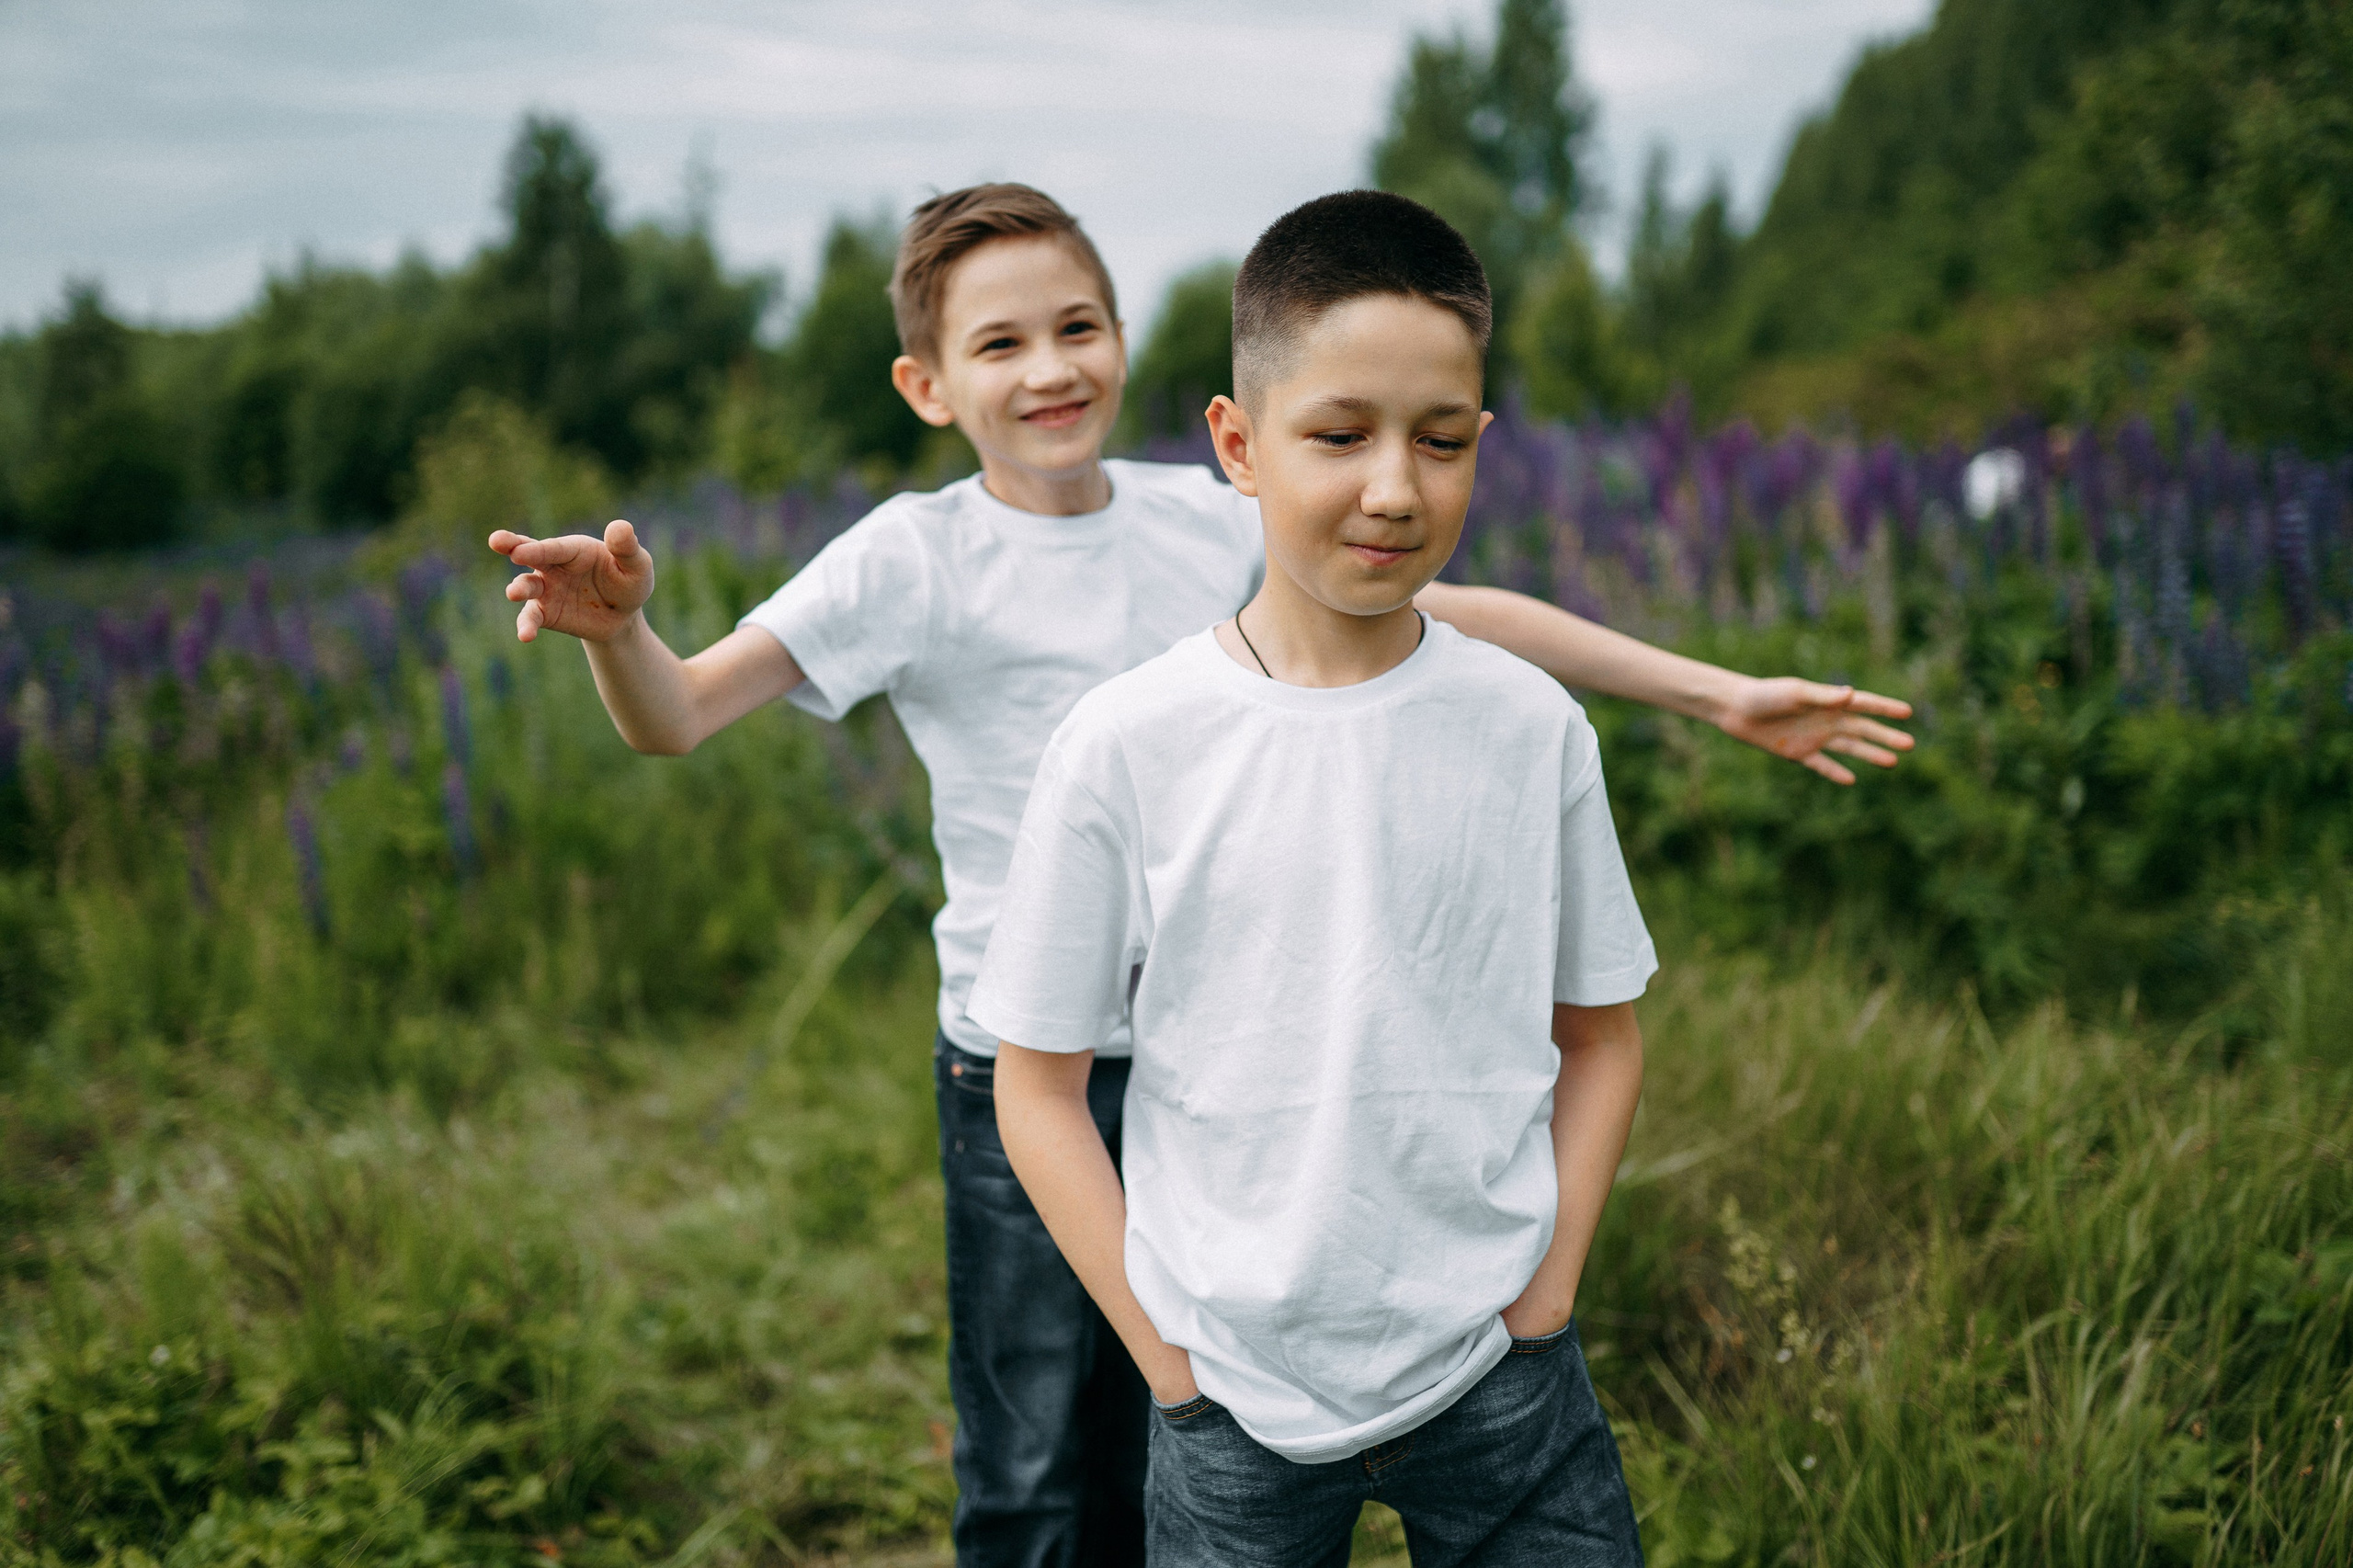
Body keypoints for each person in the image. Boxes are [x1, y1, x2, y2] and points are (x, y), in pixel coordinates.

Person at [488, 183, 1907, 1568]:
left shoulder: (1209, 511)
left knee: (1201, 1443)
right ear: (927, 385)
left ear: (1125, 341)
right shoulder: (909, 561)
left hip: (1226, 1044)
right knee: (1047, 1458)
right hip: (1025, 1063)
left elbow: (1461, 613)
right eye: (1001, 344)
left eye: (1079, 325)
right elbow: (676, 715)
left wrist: (1716, 693)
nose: (1051, 368)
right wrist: (621, 636)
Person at [975, 190, 1655, 1565]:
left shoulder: (1533, 729)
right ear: (1237, 442)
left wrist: (1547, 1293)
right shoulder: (1127, 744)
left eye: (1442, 440)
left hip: (1501, 1378)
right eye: (1339, 436)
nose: (1395, 487)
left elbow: (1602, 1036)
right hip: (1234, 1398)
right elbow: (1036, 1081)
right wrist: (1170, 1359)